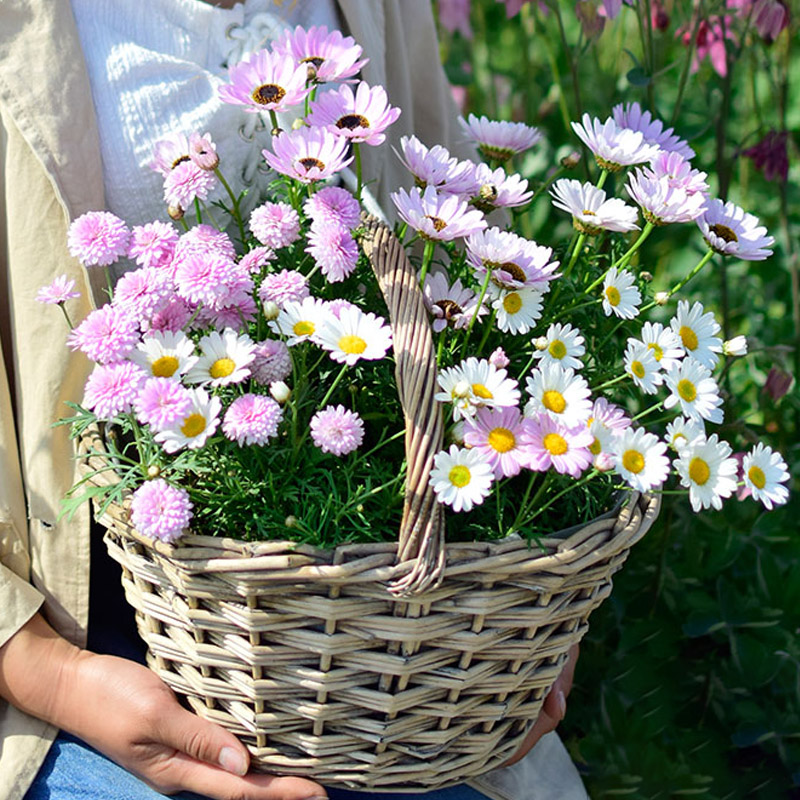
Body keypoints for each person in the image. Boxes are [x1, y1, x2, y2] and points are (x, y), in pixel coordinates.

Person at [0, 1, 587, 798]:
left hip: (375, 623)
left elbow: (457, 244)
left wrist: (534, 601)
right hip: (67, 624)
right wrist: (52, 674)